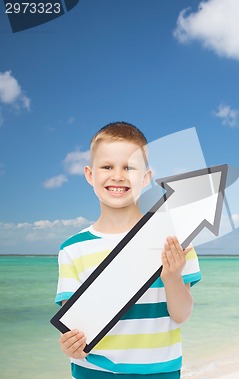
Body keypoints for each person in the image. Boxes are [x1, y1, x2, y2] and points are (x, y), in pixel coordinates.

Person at [55, 121, 201, 378]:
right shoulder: (72, 249)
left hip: (160, 371)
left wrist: (172, 277)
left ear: (146, 177)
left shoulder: (174, 239)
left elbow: (182, 315)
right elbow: (75, 328)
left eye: (129, 168)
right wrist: (74, 347)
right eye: (107, 167)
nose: (118, 176)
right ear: (90, 175)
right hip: (94, 371)